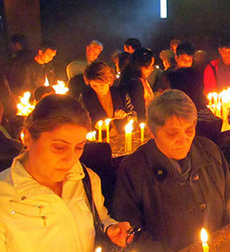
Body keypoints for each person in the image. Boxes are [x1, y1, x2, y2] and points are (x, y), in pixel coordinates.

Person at [112, 89, 230, 251]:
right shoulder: (134, 168)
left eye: (189, 131)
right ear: (152, 132)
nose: (183, 140)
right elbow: (130, 231)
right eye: (172, 134)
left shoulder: (209, 151)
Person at [0, 94, 132, 251]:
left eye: (78, 147)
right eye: (59, 147)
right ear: (28, 137)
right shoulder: (4, 197)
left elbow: (99, 218)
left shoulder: (85, 178)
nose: (70, 159)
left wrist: (110, 228)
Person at [80, 62, 134, 134]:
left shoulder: (121, 93)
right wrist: (94, 125)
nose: (99, 89)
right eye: (94, 86)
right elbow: (81, 122)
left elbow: (133, 115)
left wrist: (125, 115)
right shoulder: (86, 98)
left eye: (102, 85)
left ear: (109, 81)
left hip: (122, 137)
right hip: (100, 141)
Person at [119, 48, 155, 121]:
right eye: (148, 67)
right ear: (138, 66)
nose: (152, 69)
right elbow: (139, 110)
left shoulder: (142, 80)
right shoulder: (135, 83)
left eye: (152, 65)